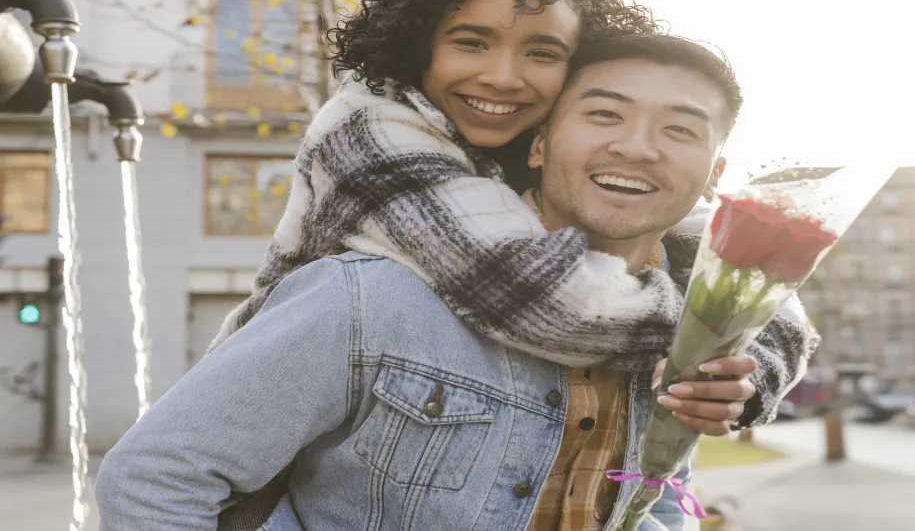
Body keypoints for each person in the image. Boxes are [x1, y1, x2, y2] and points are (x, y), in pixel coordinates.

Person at [96, 34, 796, 531]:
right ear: (541, 142)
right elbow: (155, 480)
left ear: (714, 175)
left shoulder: (677, 334)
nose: (637, 146)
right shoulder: (370, 298)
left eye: (680, 130)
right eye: (605, 114)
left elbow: (657, 496)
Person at [204, 0, 817, 430]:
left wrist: (752, 368)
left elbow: (745, 276)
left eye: (542, 53)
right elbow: (548, 302)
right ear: (422, 51)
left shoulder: (538, 135)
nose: (503, 76)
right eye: (471, 43)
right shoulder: (369, 129)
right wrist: (706, 351)